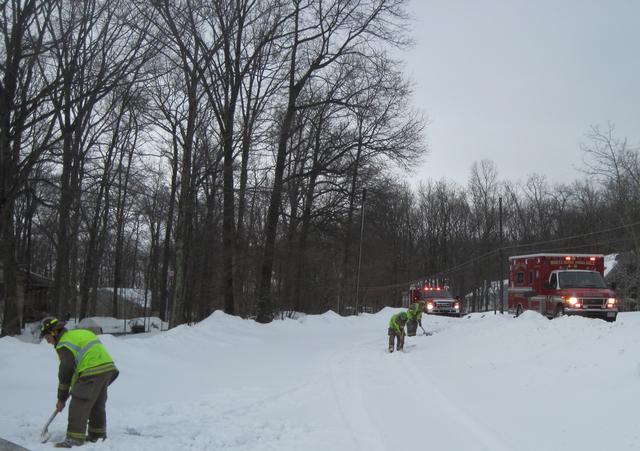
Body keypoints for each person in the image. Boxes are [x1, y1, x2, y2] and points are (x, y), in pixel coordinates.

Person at [40, 317, 119, 448]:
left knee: (78, 403)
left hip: (91, 371)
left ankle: (74, 439)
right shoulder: (79, 333)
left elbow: (65, 372)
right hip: (107, 368)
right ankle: (97, 435)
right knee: (96, 404)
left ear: (54, 333)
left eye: (47, 338)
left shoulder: (64, 344)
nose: (48, 342)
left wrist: (61, 398)